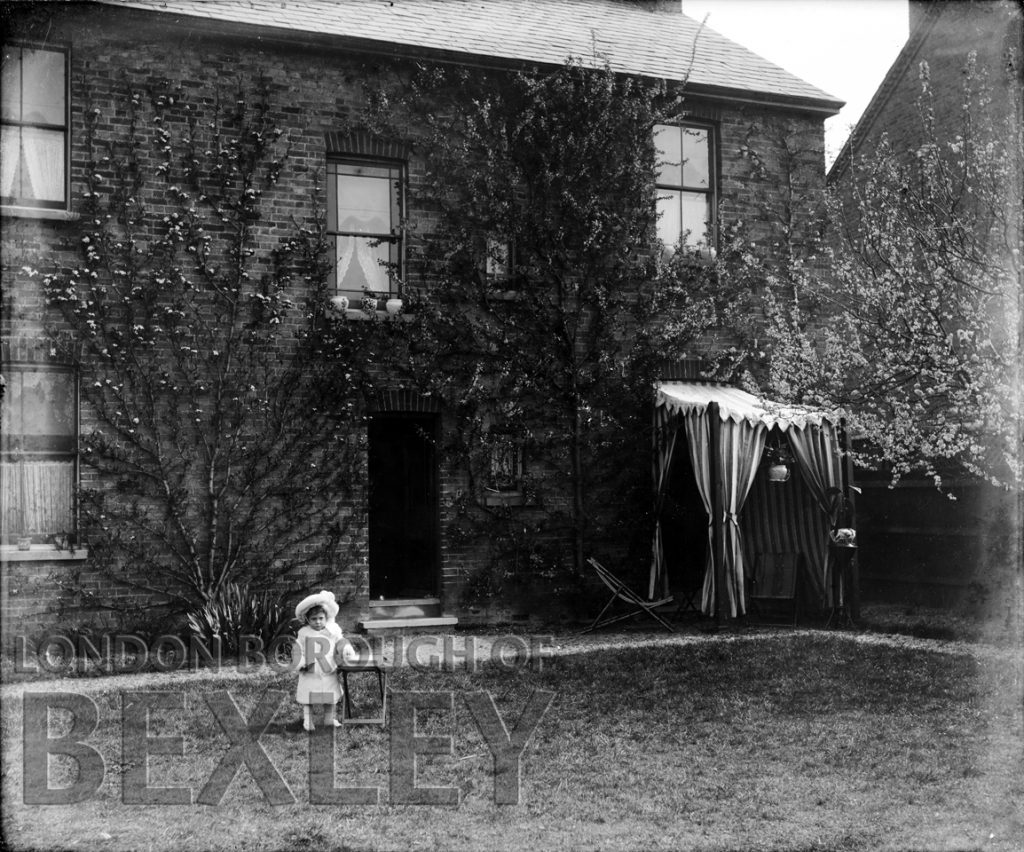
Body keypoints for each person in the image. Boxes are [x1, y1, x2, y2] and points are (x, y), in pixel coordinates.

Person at [293, 590, 357, 732]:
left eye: (321, 618)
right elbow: (298, 650)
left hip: (328, 670)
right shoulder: (304, 633)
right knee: (308, 697)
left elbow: (340, 641)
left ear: (326, 617)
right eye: (314, 619)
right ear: (307, 619)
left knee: (330, 696)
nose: (318, 622)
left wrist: (345, 649)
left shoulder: (332, 630)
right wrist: (301, 662)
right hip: (310, 671)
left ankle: (329, 719)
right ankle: (308, 721)